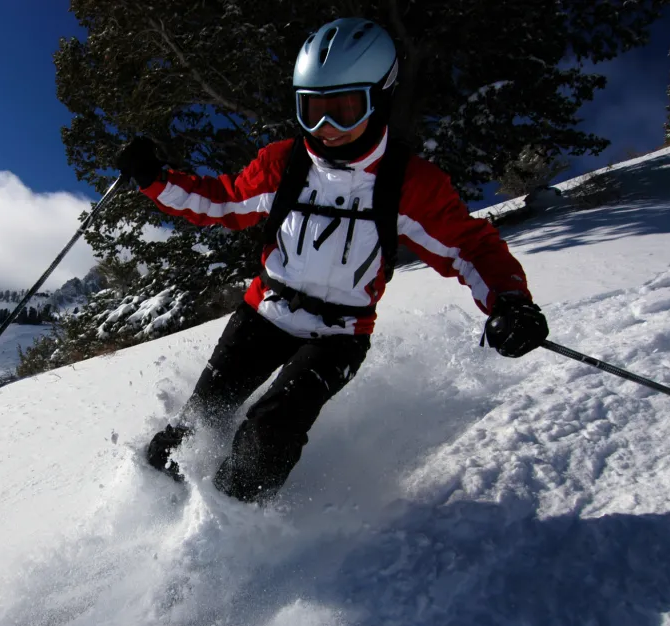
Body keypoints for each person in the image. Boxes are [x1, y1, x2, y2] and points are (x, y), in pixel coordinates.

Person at [115, 18, 548, 503]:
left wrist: (509, 301)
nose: (326, 128)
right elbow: (222, 201)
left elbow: (469, 247)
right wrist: (154, 178)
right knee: (197, 421)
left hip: (338, 337)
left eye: (344, 109)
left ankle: (224, 532)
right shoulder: (284, 163)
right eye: (312, 110)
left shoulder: (410, 184)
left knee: (268, 434)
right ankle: (151, 509)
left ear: (379, 98)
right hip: (264, 315)